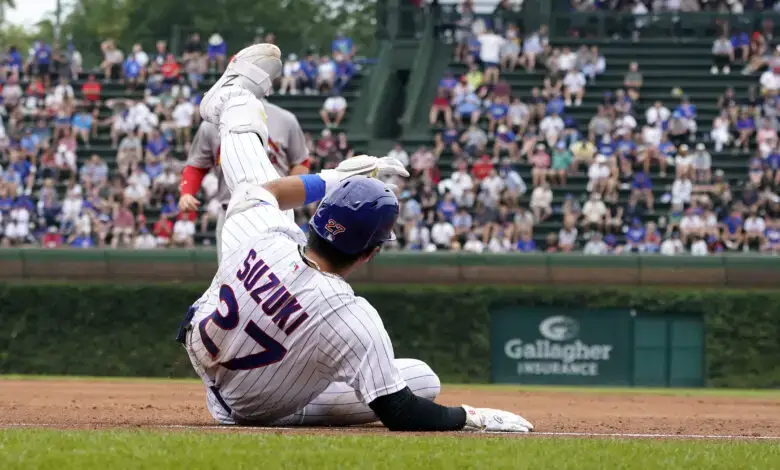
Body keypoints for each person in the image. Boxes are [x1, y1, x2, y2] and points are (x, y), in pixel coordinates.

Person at [178, 51, 534, 432]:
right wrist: (473, 417)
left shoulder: (268, 236)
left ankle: (234, 98)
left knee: (251, 190)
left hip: (204, 349)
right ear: (371, 252)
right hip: (252, 406)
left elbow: (269, 192)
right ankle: (234, 100)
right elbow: (401, 410)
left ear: (316, 217)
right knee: (422, 379)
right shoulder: (348, 313)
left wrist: (335, 177)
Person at [180, 100, 311, 261]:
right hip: (232, 213)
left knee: (279, 277)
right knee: (232, 280)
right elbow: (196, 165)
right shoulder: (211, 125)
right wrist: (187, 192)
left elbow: (301, 162)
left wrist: (288, 192)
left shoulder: (284, 119)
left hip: (276, 211)